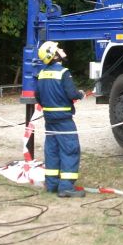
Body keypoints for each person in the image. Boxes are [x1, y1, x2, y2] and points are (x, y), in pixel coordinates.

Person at [35, 41, 86, 198]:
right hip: (64, 120)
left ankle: (52, 184)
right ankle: (66, 187)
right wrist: (80, 94)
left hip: (49, 119)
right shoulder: (63, 72)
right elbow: (71, 94)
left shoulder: (42, 74)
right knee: (70, 149)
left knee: (52, 150)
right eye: (58, 48)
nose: (62, 49)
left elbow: (38, 96)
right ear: (54, 54)